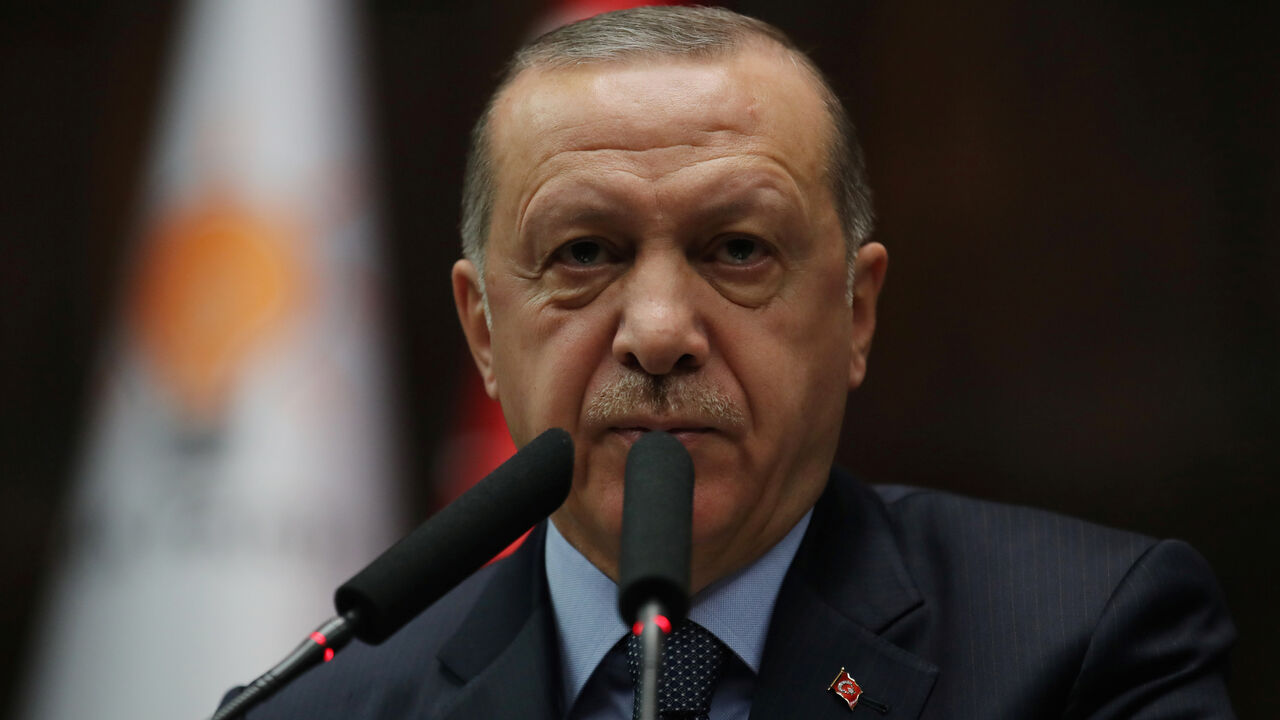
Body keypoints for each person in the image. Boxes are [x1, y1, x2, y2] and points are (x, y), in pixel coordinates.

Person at [231, 6, 1235, 718]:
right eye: (584, 254)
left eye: (736, 251)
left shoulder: (1083, 646)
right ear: (485, 331)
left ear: (854, 312)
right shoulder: (327, 705)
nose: (659, 331)